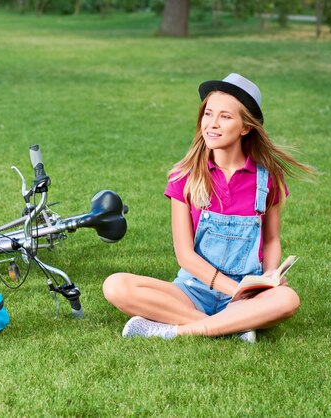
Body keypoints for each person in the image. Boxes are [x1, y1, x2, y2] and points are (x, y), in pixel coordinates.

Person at [103, 73, 314, 343]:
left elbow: (272, 239)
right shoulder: (184, 177)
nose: (212, 124)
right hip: (192, 290)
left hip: (246, 294)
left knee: (288, 299)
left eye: (225, 117)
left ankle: (176, 330)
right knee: (116, 285)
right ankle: (232, 327)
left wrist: (270, 278)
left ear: (245, 127)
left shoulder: (267, 178)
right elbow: (185, 256)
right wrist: (234, 289)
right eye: (208, 114)